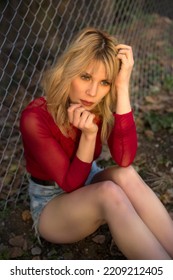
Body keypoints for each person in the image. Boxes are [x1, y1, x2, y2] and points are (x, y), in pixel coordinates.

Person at [20, 27, 173, 260]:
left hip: (88, 179)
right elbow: (71, 184)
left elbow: (124, 159)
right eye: (85, 77)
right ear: (68, 71)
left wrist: (121, 87)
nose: (92, 92)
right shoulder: (35, 117)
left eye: (105, 82)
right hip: (52, 203)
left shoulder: (98, 105)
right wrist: (89, 136)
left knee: (126, 174)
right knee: (109, 193)